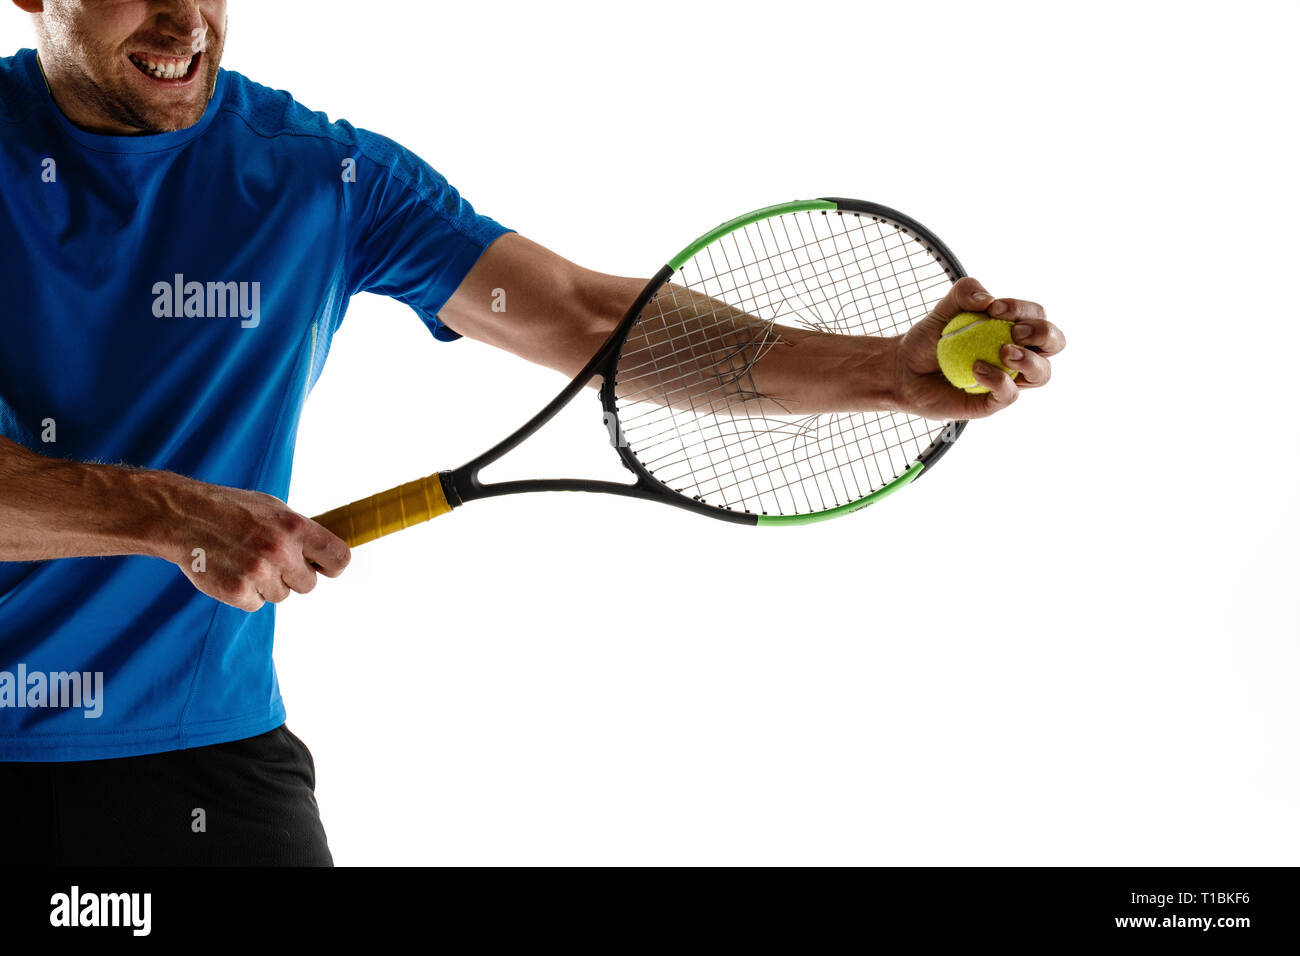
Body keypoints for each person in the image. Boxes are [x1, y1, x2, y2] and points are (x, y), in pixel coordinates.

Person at [0, 1, 1065, 865]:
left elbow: (584, 316)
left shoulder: (318, 177)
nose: (184, 18)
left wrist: (877, 369)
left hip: (200, 759)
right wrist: (171, 513)